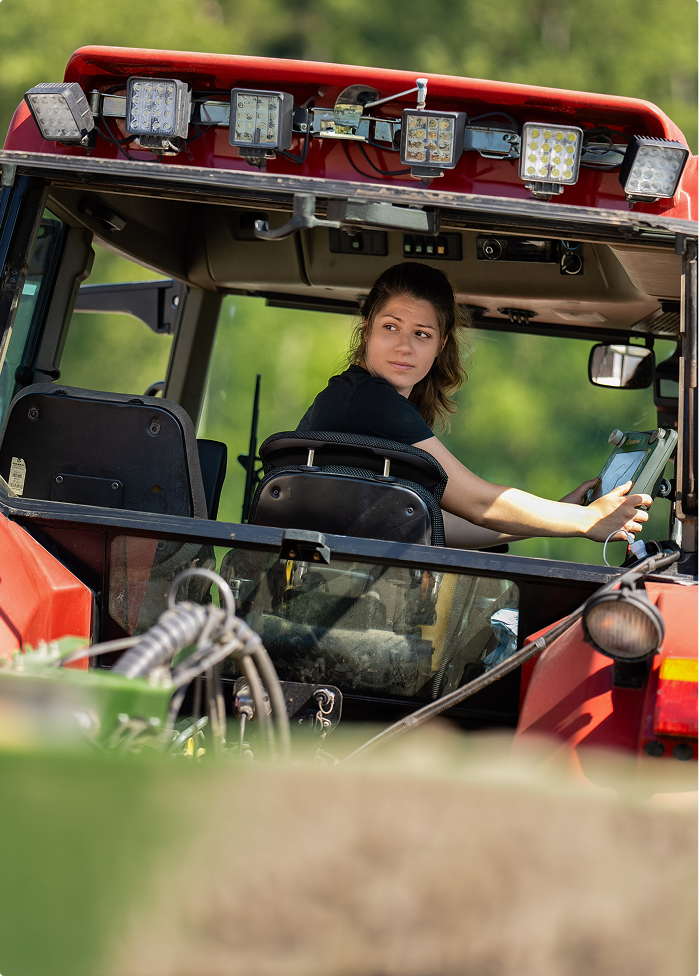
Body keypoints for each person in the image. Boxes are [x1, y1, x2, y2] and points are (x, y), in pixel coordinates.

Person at [297, 262, 651, 548]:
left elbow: (443, 524)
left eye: (422, 334)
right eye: (391, 327)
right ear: (367, 329)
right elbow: (479, 503)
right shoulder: (370, 401)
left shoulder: (358, 398)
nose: (404, 346)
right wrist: (586, 520)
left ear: (440, 345)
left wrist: (558, 514)